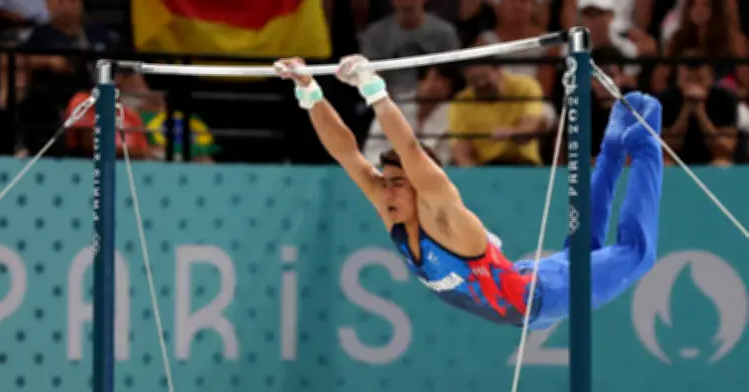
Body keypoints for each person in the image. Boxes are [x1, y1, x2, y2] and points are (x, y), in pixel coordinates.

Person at [273, 55, 663, 329]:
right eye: (385, 183)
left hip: (548, 296)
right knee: (584, 249)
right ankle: (614, 142)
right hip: (525, 288)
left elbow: (410, 150)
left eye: (397, 184)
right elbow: (346, 153)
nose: (385, 193)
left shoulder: (447, 219)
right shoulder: (393, 211)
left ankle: (645, 139)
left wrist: (374, 90)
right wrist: (309, 91)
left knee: (637, 253)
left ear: (421, 187)